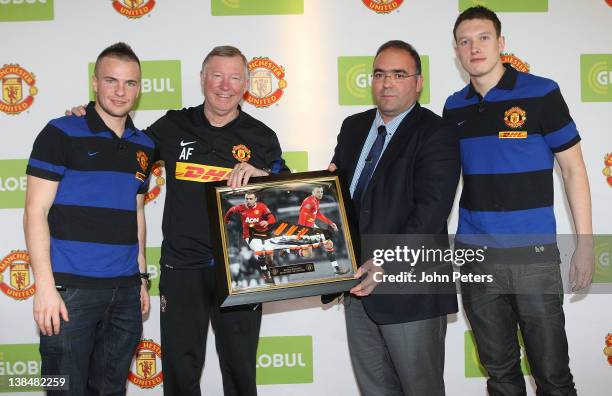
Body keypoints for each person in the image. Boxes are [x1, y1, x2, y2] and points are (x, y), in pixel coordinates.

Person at [68, 45, 288, 396]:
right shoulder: (173, 126)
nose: (224, 85)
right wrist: (90, 119)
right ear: (202, 79)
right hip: (181, 267)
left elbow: (289, 195)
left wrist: (261, 175)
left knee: (241, 370)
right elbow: (124, 148)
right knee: (181, 372)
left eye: (234, 77)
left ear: (246, 84)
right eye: (217, 75)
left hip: (242, 270)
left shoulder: (262, 137)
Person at [444, 6, 594, 396]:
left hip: (533, 255)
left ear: (501, 43)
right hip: (476, 256)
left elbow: (574, 170)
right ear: (457, 52)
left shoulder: (542, 93)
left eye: (483, 38)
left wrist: (586, 244)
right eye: (464, 41)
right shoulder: (453, 107)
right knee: (501, 377)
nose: (474, 47)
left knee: (553, 378)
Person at [328, 40, 460, 396]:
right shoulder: (353, 127)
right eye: (380, 74)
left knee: (420, 389)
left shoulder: (437, 133)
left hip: (409, 286)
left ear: (418, 83)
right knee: (375, 389)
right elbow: (332, 195)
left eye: (399, 74)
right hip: (356, 285)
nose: (387, 83)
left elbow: (430, 213)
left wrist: (384, 262)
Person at [24, 42, 153, 395]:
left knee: (111, 390)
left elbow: (137, 212)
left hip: (125, 293)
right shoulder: (61, 131)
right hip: (70, 294)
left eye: (130, 83)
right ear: (95, 83)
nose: (120, 91)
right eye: (111, 81)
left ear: (139, 88)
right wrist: (45, 287)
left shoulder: (144, 146)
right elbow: (36, 211)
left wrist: (141, 277)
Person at [224, 192, 277, 283]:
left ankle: (270, 264)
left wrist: (267, 222)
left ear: (255, 199)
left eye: (251, 199)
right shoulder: (241, 207)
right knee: (260, 253)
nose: (248, 201)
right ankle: (265, 273)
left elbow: (272, 218)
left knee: (269, 256)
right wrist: (226, 220)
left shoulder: (262, 206)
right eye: (247, 199)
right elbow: (231, 210)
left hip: (263, 233)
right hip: (249, 235)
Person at [297, 186, 347, 274]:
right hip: (306, 228)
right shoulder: (309, 202)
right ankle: (289, 250)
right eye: (318, 192)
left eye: (321, 192)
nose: (320, 194)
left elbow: (317, 214)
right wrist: (302, 232)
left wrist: (330, 223)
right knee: (308, 254)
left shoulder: (316, 200)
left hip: (312, 225)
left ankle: (336, 268)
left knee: (329, 243)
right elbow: (302, 215)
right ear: (313, 192)